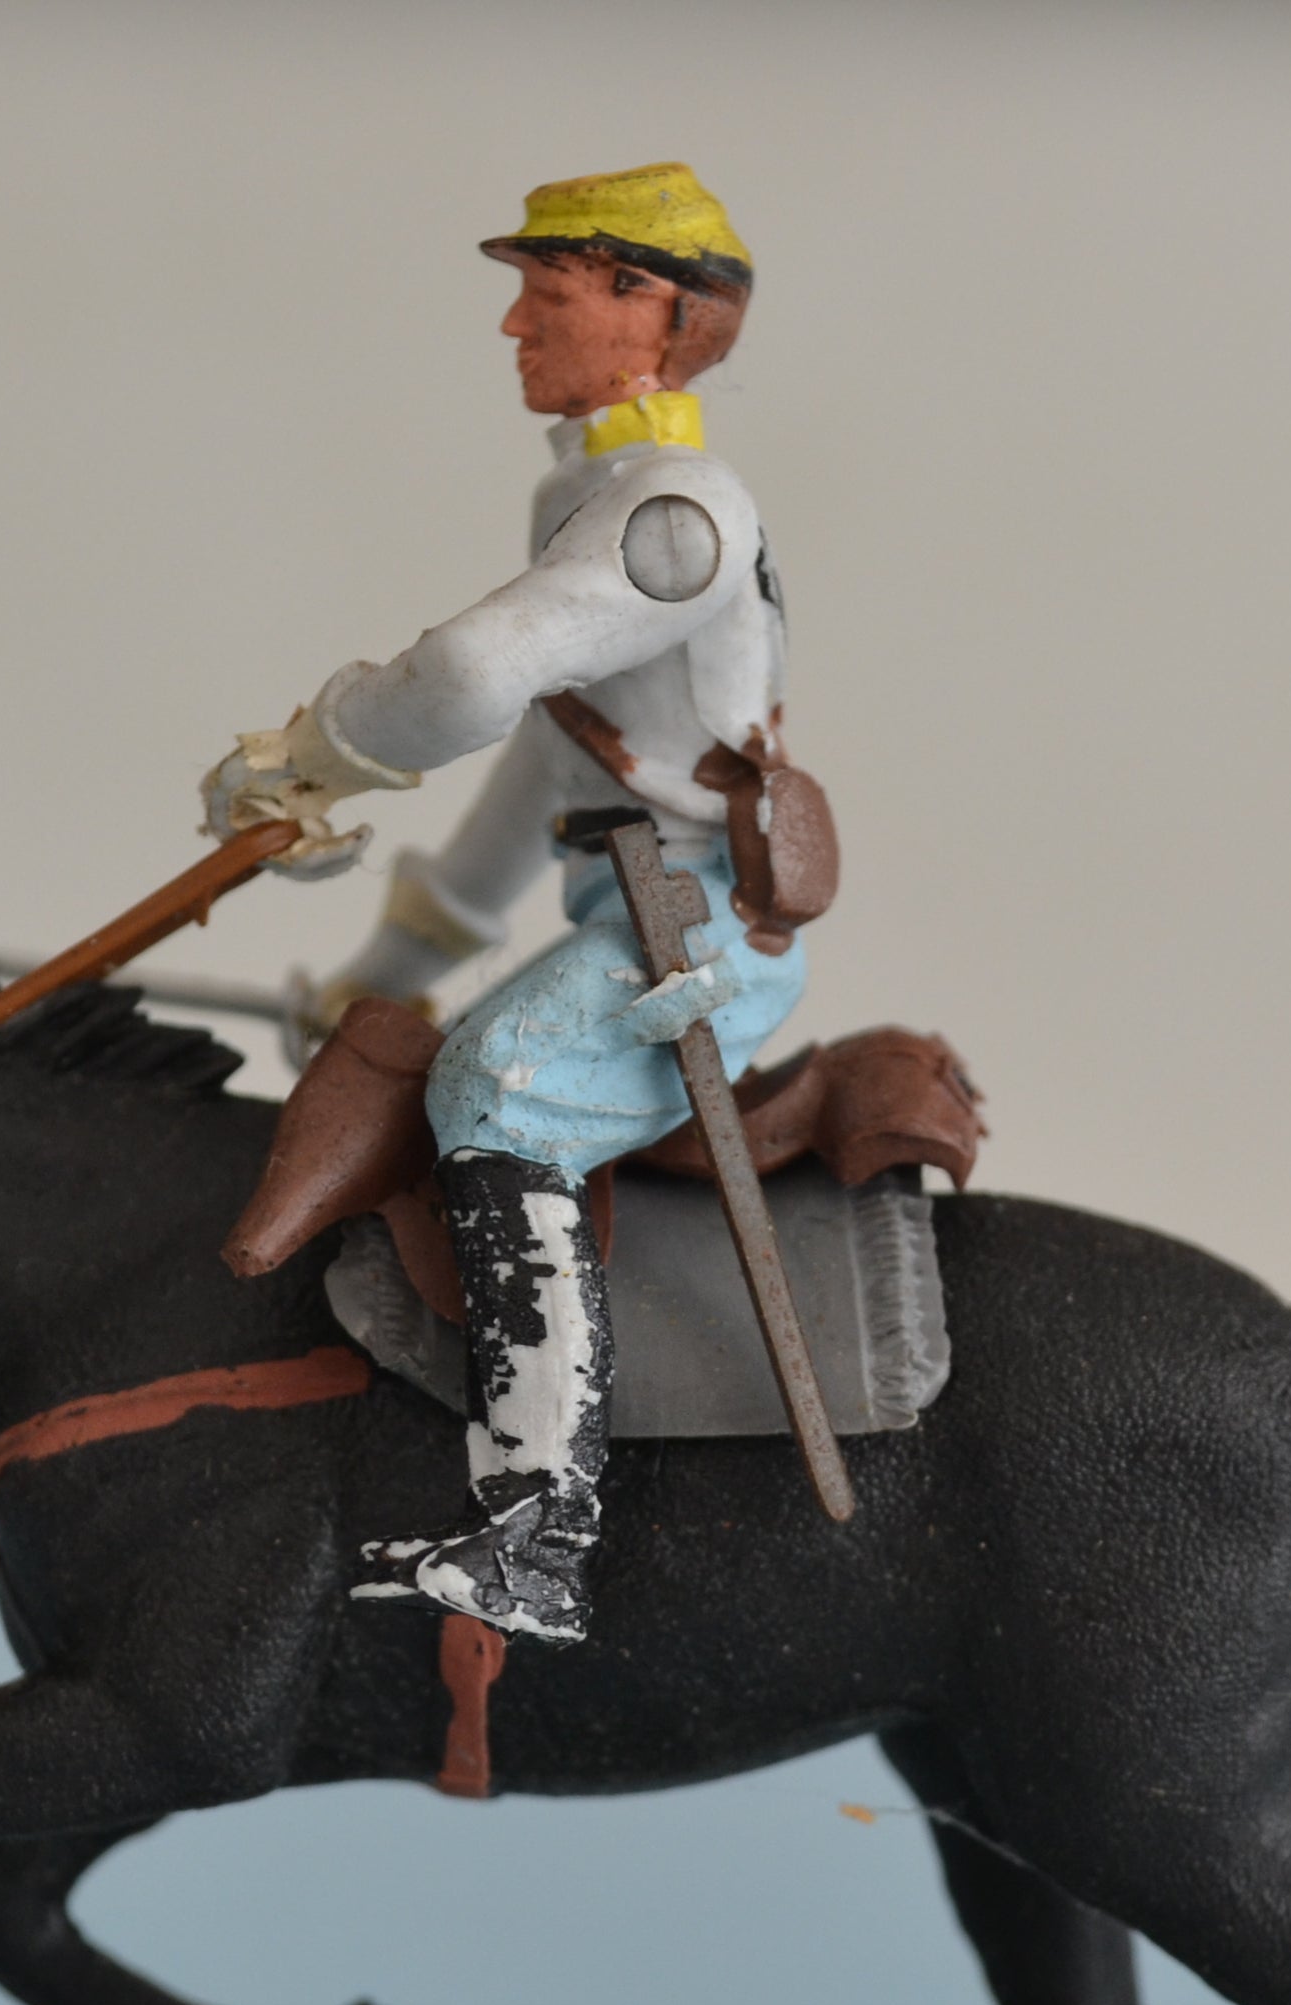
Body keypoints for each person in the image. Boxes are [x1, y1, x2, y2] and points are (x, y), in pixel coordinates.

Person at [201, 163, 812, 1645]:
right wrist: (393, 962)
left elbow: (477, 676)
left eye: (546, 294)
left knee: (499, 1087)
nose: (513, 325)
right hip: (634, 908)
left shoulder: (677, 512)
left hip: (700, 935)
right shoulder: (596, 495)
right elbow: (547, 765)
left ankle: (540, 1535)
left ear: (647, 309)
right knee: (450, 1050)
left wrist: (312, 754)